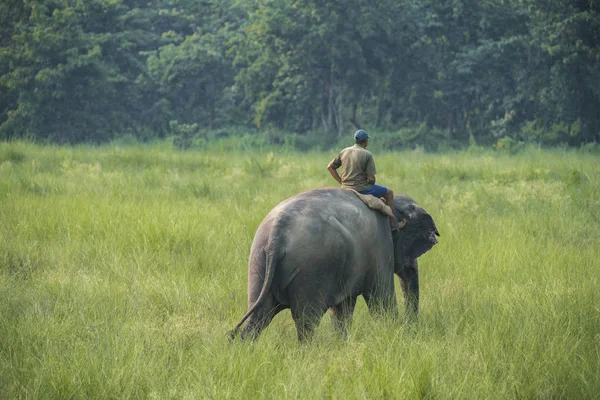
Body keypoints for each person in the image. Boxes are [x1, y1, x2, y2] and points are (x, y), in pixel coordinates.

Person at [327, 129, 398, 230]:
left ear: (355, 141)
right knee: (389, 193)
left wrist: (341, 182)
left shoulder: (344, 151)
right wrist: (370, 181)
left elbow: (330, 167)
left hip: (345, 188)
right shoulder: (367, 154)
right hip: (362, 188)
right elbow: (371, 178)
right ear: (365, 142)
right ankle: (393, 224)